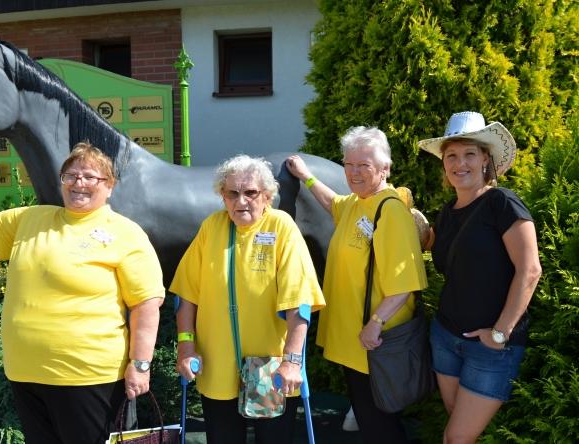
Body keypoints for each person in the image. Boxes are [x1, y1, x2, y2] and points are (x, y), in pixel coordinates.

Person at [0, 141, 165, 444]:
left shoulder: (125, 233)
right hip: (27, 373)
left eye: (89, 176)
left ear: (109, 186)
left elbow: (147, 303)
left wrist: (141, 364)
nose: (78, 183)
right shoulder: (33, 219)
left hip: (89, 377)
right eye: (70, 176)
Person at [286, 126, 428, 443]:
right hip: (356, 344)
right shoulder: (356, 203)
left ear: (385, 168)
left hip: (375, 343)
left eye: (363, 166)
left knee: (380, 425)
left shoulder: (390, 211)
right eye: (348, 165)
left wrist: (375, 323)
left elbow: (405, 282)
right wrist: (306, 176)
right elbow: (332, 202)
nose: (353, 173)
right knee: (369, 417)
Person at [171, 154, 325, 444]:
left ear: (267, 196)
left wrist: (292, 361)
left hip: (269, 370)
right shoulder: (212, 227)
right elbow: (186, 294)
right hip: (217, 367)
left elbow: (299, 301)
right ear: (222, 196)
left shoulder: (281, 227)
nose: (241, 201)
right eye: (233, 193)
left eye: (251, 193)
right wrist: (186, 345)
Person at [418, 111, 541, 443]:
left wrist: (500, 334)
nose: (461, 163)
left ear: (486, 159)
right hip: (445, 337)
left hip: (490, 348)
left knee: (456, 438)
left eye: (469, 154)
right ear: (444, 164)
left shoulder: (501, 203)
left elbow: (530, 271)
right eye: (452, 156)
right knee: (458, 434)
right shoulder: (446, 214)